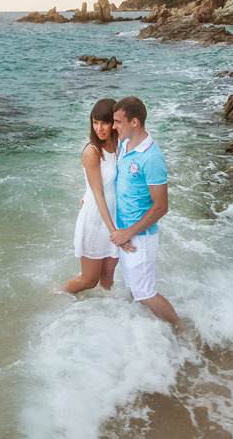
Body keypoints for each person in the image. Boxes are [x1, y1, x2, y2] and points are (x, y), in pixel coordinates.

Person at [109, 96, 183, 328]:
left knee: (144, 292)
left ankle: (183, 330)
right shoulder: (124, 145)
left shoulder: (152, 158)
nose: (113, 127)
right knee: (135, 289)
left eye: (118, 122)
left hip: (140, 235)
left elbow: (161, 206)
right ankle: (147, 334)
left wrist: (128, 233)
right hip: (126, 232)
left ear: (135, 122)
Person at [64, 98, 133, 294]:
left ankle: (106, 310)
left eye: (104, 122)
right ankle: (59, 293)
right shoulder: (92, 152)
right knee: (89, 280)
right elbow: (99, 194)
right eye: (95, 122)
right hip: (97, 217)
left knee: (109, 273)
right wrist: (115, 234)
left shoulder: (121, 146)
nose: (99, 128)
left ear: (114, 123)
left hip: (117, 214)